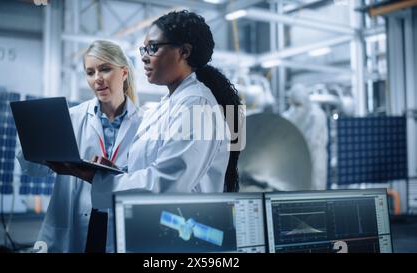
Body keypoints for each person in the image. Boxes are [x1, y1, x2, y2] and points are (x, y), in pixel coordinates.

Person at [67, 10, 243, 210]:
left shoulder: (197, 106)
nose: (144, 58)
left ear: (184, 52)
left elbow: (168, 184)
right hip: (158, 225)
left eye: (153, 48)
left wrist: (105, 183)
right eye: (144, 49)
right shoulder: (169, 105)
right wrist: (116, 174)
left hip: (185, 231)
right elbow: (152, 169)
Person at [16, 40, 142, 253]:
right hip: (75, 222)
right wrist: (31, 144)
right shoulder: (70, 119)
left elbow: (148, 181)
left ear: (124, 73)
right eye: (90, 72)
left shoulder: (146, 124)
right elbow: (35, 170)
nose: (97, 79)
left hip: (121, 220)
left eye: (105, 69)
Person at [282, 84, 328, 190]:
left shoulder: (317, 116)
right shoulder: (288, 116)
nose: (297, 108)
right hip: (294, 163)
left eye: (299, 104)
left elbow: (312, 141)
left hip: (316, 159)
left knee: (316, 189)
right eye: (294, 104)